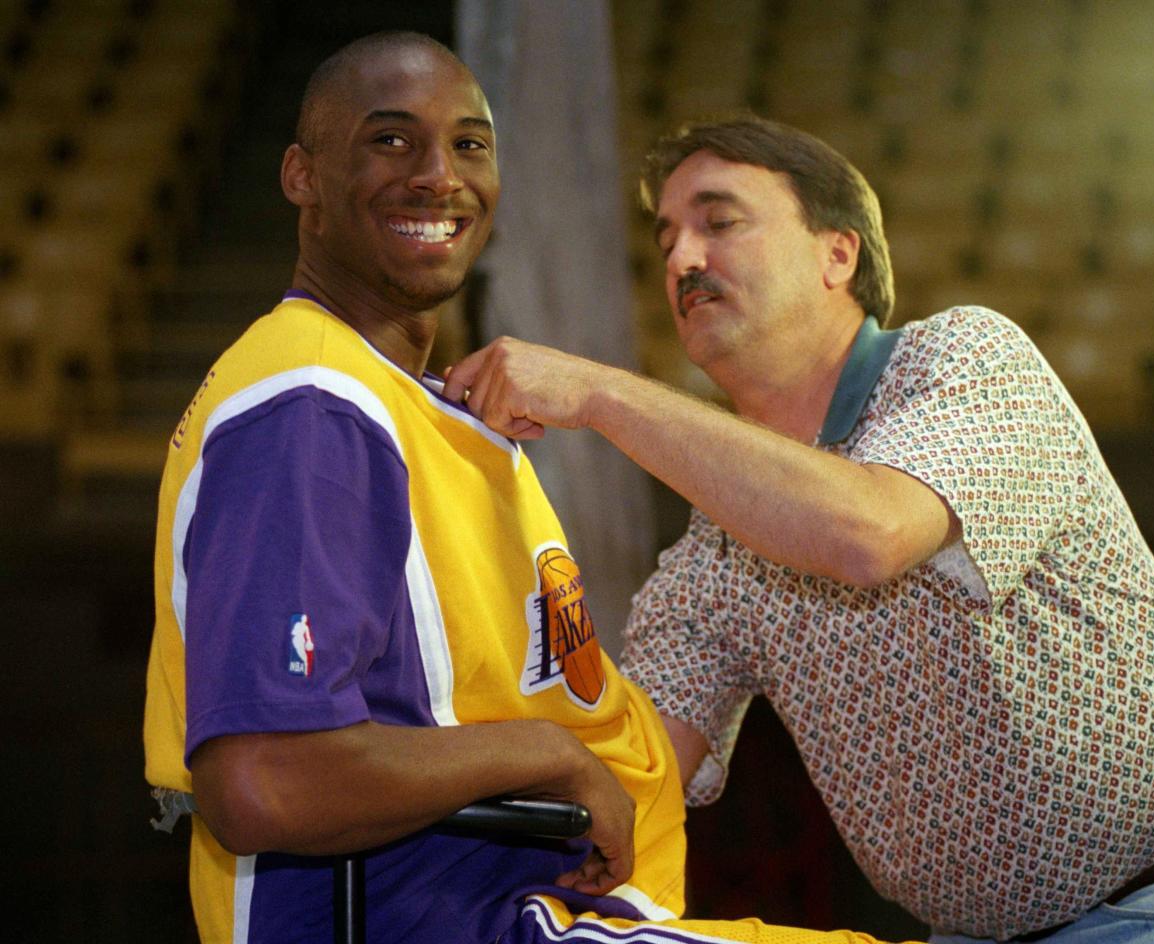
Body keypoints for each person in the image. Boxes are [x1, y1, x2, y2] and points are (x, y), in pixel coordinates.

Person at [142, 35, 901, 944]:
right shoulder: (312, 402)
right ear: (302, 176)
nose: (439, 176)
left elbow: (620, 720)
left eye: (470, 145)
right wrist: (551, 756)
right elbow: (263, 779)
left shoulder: (420, 415)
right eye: (391, 141)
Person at [443, 115, 1154, 943]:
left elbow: (868, 531)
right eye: (668, 237)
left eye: (720, 222)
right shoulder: (718, 544)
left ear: (839, 253)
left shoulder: (965, 359)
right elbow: (633, 770)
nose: (682, 260)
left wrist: (601, 393)